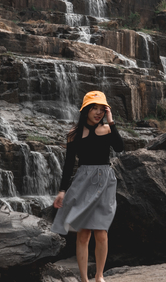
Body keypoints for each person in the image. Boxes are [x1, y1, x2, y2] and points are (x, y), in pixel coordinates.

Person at [52, 90, 124, 282]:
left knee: (101, 232)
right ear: (85, 110)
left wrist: (111, 121)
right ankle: (84, 279)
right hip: (83, 181)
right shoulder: (74, 135)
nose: (98, 112)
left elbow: (119, 147)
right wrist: (62, 191)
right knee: (83, 234)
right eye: (94, 108)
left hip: (105, 181)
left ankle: (99, 275)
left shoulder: (108, 130)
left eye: (102, 109)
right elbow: (68, 165)